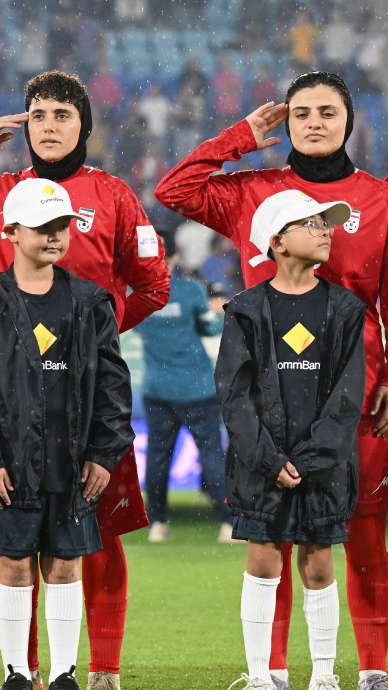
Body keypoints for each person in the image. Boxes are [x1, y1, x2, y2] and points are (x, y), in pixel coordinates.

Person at [0, 70, 166, 690]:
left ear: (83, 127)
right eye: (38, 114)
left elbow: (155, 284)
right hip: (11, 401)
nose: (48, 125)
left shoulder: (116, 196)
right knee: (12, 543)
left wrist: (91, 334)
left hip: (86, 400)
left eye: (62, 115)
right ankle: (25, 673)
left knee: (99, 538)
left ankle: (103, 670)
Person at [155, 71, 388, 690]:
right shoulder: (253, 189)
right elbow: (173, 189)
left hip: (356, 394)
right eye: (301, 112)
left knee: (362, 532)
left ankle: (374, 670)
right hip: (267, 399)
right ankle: (273, 673)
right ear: (284, 121)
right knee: (272, 540)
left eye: (327, 112)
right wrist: (238, 137)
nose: (314, 122)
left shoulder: (380, 198)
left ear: (348, 121)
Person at [0, 179, 133, 690]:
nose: (55, 236)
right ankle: (15, 673)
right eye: (43, 227)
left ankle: (62, 674)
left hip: (74, 461)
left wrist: (103, 453)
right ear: (9, 231)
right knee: (12, 565)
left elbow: (113, 386)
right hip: (9, 464)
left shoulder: (91, 302)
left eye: (62, 226)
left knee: (65, 564)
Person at [216, 190, 364, 690]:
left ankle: (324, 676)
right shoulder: (245, 310)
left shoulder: (345, 308)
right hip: (263, 465)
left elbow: (347, 396)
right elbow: (233, 394)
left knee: (319, 563)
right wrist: (268, 458)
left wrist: (310, 458)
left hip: (322, 466)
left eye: (326, 223)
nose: (325, 230)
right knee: (262, 561)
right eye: (311, 223)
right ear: (277, 242)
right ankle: (260, 676)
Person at [133, 233, 233, 543]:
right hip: (197, 388)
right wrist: (217, 311)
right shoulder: (189, 290)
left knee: (159, 457)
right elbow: (211, 326)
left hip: (158, 388)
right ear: (174, 258)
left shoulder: (136, 295)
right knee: (212, 455)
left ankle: (158, 523)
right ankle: (228, 523)